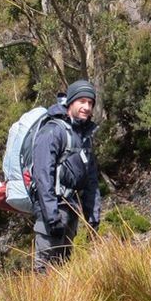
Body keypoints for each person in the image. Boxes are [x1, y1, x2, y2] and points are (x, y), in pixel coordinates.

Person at [30, 79, 101, 272]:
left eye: (90, 103)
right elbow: (43, 175)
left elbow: (91, 179)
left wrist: (93, 217)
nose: (86, 107)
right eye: (82, 101)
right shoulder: (53, 131)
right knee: (44, 269)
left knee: (63, 266)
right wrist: (52, 217)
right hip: (51, 210)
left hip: (71, 209)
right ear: (70, 102)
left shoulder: (84, 137)